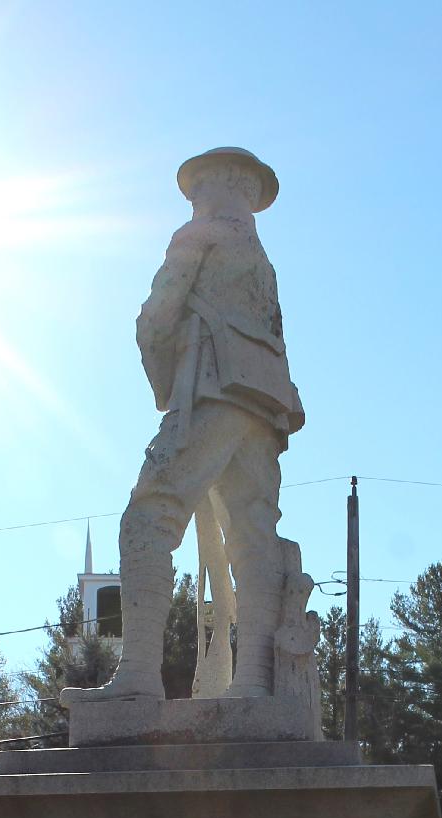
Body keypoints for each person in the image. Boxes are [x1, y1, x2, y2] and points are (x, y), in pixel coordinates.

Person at [62, 147, 305, 705]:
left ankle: (139, 679)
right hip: (265, 408)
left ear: (209, 189)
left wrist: (165, 386)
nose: (194, 201)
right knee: (254, 537)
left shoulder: (195, 237)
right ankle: (254, 684)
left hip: (210, 392)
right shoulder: (261, 258)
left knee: (149, 515)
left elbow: (156, 318)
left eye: (197, 190)